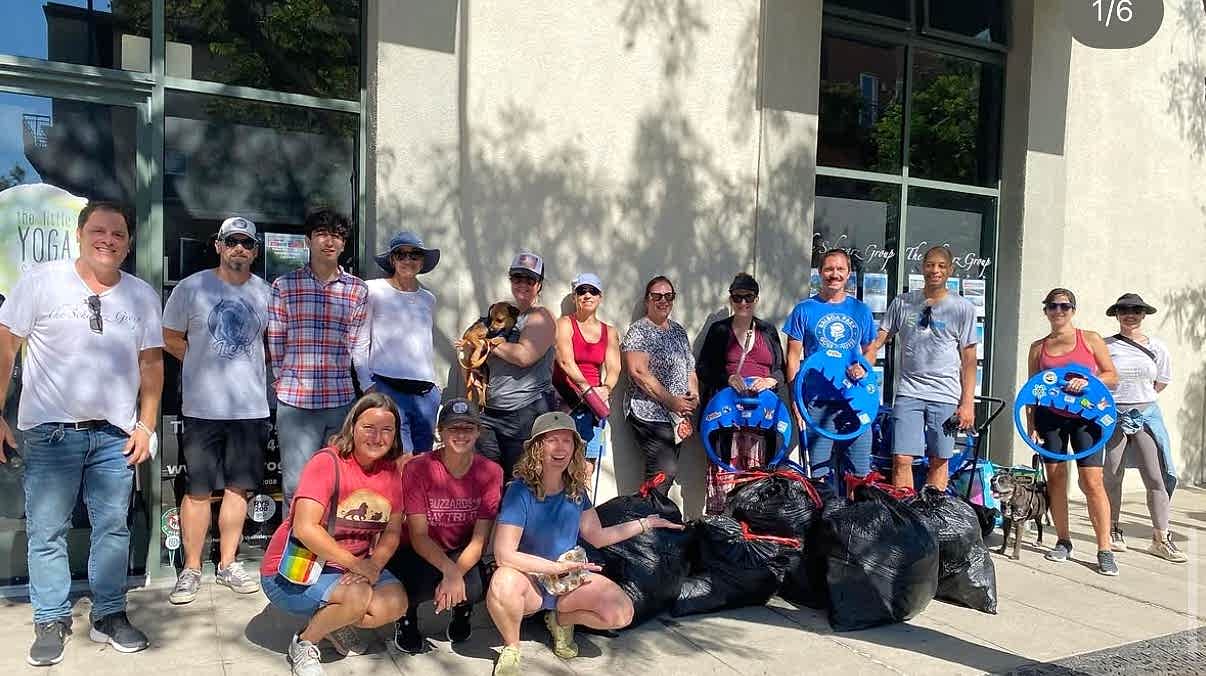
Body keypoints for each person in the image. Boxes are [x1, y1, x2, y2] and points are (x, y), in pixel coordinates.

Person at [0, 201, 163, 666]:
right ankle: (50, 618)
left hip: (114, 436)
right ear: (79, 234)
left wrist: (146, 425)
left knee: (113, 528)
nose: (108, 240)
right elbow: (6, 346)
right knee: (48, 531)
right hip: (51, 434)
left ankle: (109, 615)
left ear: (129, 244)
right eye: (99, 230)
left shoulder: (141, 297)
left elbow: (151, 366)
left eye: (118, 234)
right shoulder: (42, 282)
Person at [485, 411, 683, 676]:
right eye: (551, 440)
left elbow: (598, 536)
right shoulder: (519, 491)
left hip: (567, 579)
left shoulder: (576, 489)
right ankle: (511, 646)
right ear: (536, 448)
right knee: (501, 583)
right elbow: (504, 555)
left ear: (575, 448)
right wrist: (550, 568)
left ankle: (560, 620)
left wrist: (646, 524)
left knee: (621, 613)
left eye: (567, 441)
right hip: (529, 579)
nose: (560, 448)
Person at [259, 393, 408, 676]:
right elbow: (305, 528)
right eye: (369, 428)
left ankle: (331, 622)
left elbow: (392, 530)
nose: (377, 437)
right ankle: (304, 642)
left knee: (395, 603)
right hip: (294, 568)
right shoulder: (327, 462)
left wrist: (373, 565)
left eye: (386, 430)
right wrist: (356, 565)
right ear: (352, 426)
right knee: (357, 596)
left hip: (353, 567)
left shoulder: (391, 473)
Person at [163, 216, 272, 605]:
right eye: (232, 242)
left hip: (250, 408)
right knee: (197, 491)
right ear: (218, 246)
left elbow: (272, 343)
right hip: (201, 408)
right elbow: (170, 336)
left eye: (246, 243)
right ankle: (191, 569)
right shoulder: (192, 288)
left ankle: (228, 563)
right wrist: (199, 363)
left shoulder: (266, 293)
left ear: (255, 251)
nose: (239, 248)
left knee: (238, 489)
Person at [268, 208, 369, 515]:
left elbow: (357, 343)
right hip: (296, 402)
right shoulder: (284, 286)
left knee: (338, 484)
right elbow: (276, 340)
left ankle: (331, 558)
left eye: (337, 236)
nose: (330, 241)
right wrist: (283, 379)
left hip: (339, 400)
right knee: (295, 486)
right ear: (308, 240)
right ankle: (293, 558)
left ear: (344, 243)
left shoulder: (357, 289)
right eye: (322, 234)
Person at [388, 397, 502, 653]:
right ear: (440, 432)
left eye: (468, 428)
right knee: (412, 584)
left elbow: (480, 538)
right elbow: (418, 536)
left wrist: (456, 573)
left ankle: (462, 609)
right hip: (419, 549)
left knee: (477, 585)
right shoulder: (419, 467)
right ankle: (407, 617)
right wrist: (450, 573)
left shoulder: (491, 471)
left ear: (478, 432)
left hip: (459, 548)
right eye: (453, 428)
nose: (460, 434)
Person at [863, 246, 978, 491]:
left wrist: (967, 403)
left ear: (950, 271)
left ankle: (932, 519)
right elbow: (879, 340)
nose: (934, 270)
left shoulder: (963, 308)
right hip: (909, 392)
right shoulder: (903, 303)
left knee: (939, 460)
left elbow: (969, 359)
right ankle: (905, 519)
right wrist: (864, 361)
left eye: (941, 266)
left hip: (945, 395)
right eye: (930, 265)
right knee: (902, 458)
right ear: (922, 267)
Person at [1025, 288, 1120, 576]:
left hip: (1086, 418)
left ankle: (1105, 549)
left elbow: (1112, 376)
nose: (1058, 311)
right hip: (1049, 417)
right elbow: (1032, 390)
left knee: (1092, 482)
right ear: (1045, 311)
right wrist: (1031, 426)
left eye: (1064, 306)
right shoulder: (1038, 347)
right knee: (1056, 478)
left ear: (1073, 310)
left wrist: (1087, 379)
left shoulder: (1089, 339)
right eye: (1052, 306)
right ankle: (1063, 541)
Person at [1101, 293, 1185, 563]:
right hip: (1113, 415)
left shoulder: (1158, 348)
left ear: (1144, 314)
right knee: (1112, 474)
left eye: (1136, 310)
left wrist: (1141, 400)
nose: (1130, 314)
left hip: (1146, 414)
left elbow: (1161, 381)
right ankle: (1113, 530)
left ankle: (1161, 538)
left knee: (1156, 476)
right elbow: (1097, 378)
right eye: (1124, 310)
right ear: (1116, 314)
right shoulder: (1105, 345)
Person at [783, 249, 877, 482]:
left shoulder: (861, 310)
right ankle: (823, 518)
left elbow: (870, 349)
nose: (834, 274)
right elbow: (793, 356)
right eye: (829, 269)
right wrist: (795, 398)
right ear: (819, 273)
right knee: (818, 475)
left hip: (854, 399)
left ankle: (858, 518)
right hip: (816, 402)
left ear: (848, 274)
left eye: (840, 269)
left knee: (859, 475)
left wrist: (863, 367)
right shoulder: (803, 310)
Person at [696, 272, 784, 511]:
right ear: (731, 299)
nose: (743, 303)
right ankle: (721, 528)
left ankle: (751, 528)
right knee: (725, 475)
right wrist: (727, 377)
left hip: (760, 417)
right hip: (728, 417)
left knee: (756, 478)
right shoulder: (719, 331)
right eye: (737, 298)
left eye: (748, 297)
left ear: (756, 299)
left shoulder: (768, 331)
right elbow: (703, 368)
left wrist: (769, 382)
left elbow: (781, 372)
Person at [356, 231, 442, 458]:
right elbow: (360, 340)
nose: (408, 260)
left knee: (423, 460)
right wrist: (367, 384)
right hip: (388, 387)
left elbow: (423, 344)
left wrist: (436, 388)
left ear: (421, 261)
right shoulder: (372, 290)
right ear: (392, 259)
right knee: (398, 457)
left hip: (425, 393)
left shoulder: (428, 299)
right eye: (401, 254)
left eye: (414, 255)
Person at [473, 250, 556, 479]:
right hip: (489, 414)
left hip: (525, 413)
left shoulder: (541, 317)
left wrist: (486, 343)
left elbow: (524, 356)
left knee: (521, 484)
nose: (522, 284)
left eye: (529, 279)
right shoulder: (500, 311)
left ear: (539, 284)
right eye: (517, 278)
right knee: (487, 484)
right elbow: (468, 349)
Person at [622, 275, 699, 492]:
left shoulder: (678, 331)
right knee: (664, 469)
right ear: (647, 300)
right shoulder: (639, 331)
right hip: (648, 412)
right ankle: (646, 521)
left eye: (668, 296)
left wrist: (693, 398)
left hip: (676, 416)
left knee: (666, 474)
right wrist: (671, 401)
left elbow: (690, 369)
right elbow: (638, 372)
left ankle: (654, 520)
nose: (663, 300)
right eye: (656, 296)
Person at [552, 272, 621, 488]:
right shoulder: (564, 323)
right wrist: (587, 389)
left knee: (586, 468)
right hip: (567, 402)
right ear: (575, 297)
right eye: (581, 291)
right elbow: (565, 361)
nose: (587, 295)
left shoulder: (609, 331)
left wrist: (606, 389)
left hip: (593, 405)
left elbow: (614, 367)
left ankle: (582, 516)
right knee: (559, 464)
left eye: (593, 291)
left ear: (600, 297)